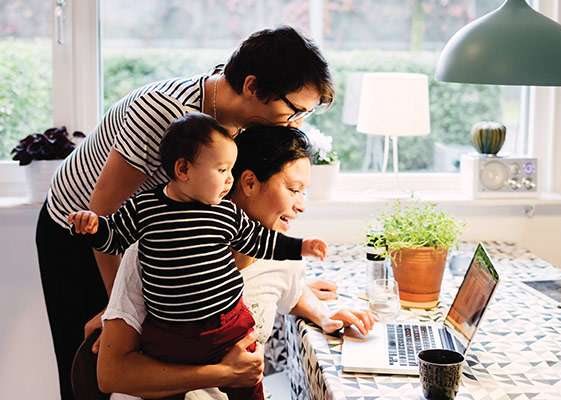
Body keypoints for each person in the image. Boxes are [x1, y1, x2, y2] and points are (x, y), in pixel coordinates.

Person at [35, 26, 334, 400]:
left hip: (137, 229)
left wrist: (292, 284)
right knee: (90, 364)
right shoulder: (164, 113)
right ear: (253, 87)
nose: (296, 122)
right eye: (294, 110)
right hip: (82, 229)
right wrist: (119, 313)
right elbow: (104, 210)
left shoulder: (238, 117)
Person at [97, 126, 375, 399]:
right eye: (293, 189)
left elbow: (292, 290)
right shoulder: (158, 247)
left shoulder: (281, 256)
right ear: (250, 182)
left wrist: (325, 317)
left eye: (304, 192)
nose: (301, 205)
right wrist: (223, 373)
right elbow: (111, 375)